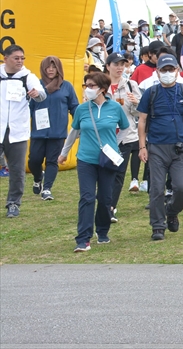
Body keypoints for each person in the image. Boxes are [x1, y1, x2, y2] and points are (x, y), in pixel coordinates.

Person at [137, 53, 183, 241]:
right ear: (157, 72)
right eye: (163, 70)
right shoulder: (150, 93)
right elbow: (142, 120)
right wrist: (142, 146)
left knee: (182, 187)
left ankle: (172, 211)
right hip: (157, 147)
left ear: (177, 71)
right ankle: (157, 226)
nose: (167, 73)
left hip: (180, 147)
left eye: (171, 69)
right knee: (157, 189)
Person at [58, 72, 129, 252]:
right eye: (86, 85)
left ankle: (103, 230)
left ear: (102, 89)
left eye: (91, 85)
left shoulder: (115, 108)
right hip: (86, 160)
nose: (87, 89)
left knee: (105, 198)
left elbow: (126, 128)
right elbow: (73, 133)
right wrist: (64, 153)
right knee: (87, 197)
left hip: (108, 160)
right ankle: (83, 239)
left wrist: (114, 145)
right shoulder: (82, 109)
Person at [1, 44, 47, 218]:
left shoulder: (28, 76)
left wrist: (37, 94)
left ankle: (13, 203)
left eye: (22, 58)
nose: (20, 61)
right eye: (16, 58)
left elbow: (42, 94)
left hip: (17, 131)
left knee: (17, 169)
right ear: (6, 59)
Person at [29, 56, 78, 202]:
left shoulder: (66, 86)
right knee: (34, 160)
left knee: (52, 161)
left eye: (54, 67)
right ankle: (38, 177)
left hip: (58, 131)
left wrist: (80, 121)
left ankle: (47, 189)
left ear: (59, 69)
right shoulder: (36, 85)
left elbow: (74, 106)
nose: (51, 70)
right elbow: (28, 108)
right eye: (48, 67)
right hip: (38, 131)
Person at [109, 52, 142, 216]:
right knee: (104, 172)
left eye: (122, 64)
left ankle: (111, 208)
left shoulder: (131, 85)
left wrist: (136, 103)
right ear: (108, 66)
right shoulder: (99, 85)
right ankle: (104, 203)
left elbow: (139, 113)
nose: (120, 68)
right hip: (105, 138)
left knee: (118, 174)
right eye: (116, 64)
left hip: (126, 137)